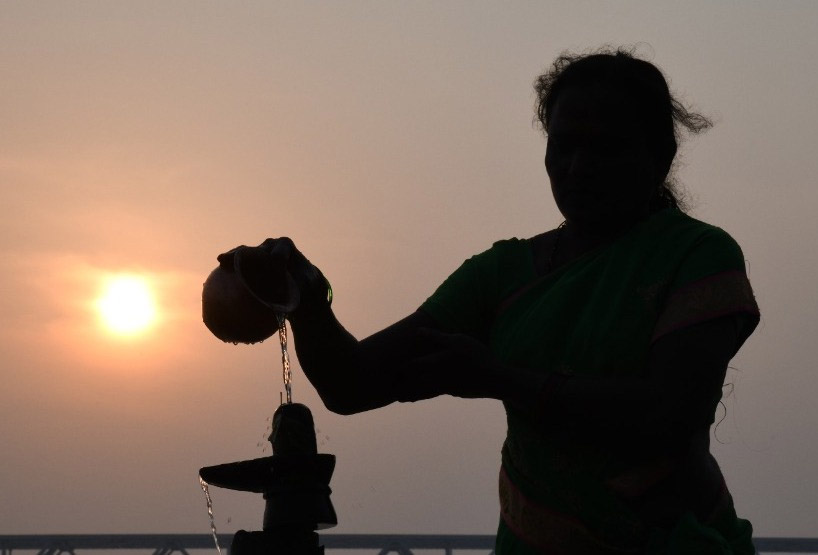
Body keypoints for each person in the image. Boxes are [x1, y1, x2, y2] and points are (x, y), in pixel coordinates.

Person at [216, 47, 760, 554]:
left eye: (604, 148)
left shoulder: (698, 255)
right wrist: (306, 294)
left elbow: (668, 414)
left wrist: (498, 379)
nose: (577, 167)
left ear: (659, 156)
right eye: (564, 145)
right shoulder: (503, 273)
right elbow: (352, 383)